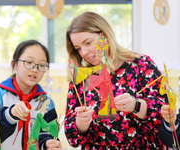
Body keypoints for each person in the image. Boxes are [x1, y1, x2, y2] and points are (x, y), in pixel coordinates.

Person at [64, 11, 167, 149]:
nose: (83, 52)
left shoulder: (142, 64)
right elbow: (72, 139)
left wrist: (136, 105)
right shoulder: (80, 78)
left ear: (105, 35)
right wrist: (81, 124)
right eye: (78, 48)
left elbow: (166, 116)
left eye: (88, 43)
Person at [0, 40, 62, 150]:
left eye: (42, 65)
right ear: (14, 64)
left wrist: (47, 145)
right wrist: (8, 115)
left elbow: (47, 135)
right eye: (29, 62)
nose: (35, 69)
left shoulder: (46, 103)